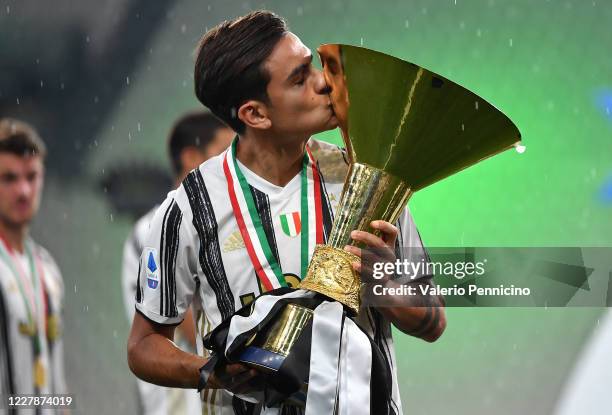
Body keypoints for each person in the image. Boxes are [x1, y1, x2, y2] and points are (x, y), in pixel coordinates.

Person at [127, 11, 446, 415]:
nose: (322, 81)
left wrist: (385, 284)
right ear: (255, 114)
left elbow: (433, 322)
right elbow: (143, 346)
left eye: (311, 65)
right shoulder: (189, 207)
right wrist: (210, 370)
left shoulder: (366, 181)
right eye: (299, 78)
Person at [121, 111, 233, 415]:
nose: (231, 165)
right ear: (191, 157)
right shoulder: (153, 227)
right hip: (179, 404)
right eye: (224, 153)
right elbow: (189, 327)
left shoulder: (220, 224)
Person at [0, 118, 67, 412]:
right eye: (9, 178)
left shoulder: (48, 269)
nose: (24, 191)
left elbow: (56, 375)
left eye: (31, 177)